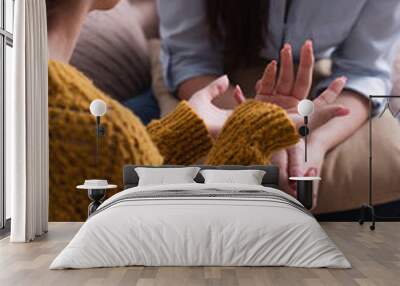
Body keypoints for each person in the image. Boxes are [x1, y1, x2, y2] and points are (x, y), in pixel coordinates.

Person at [46, 0, 348, 221]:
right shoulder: (105, 132)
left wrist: (184, 130)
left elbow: (107, 174)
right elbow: (194, 239)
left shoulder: (37, 88)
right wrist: (250, 134)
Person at [157, 0, 400, 202]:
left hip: (314, 76)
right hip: (220, 75)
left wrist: (314, 143)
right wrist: (260, 122)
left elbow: (365, 71)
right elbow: (190, 60)